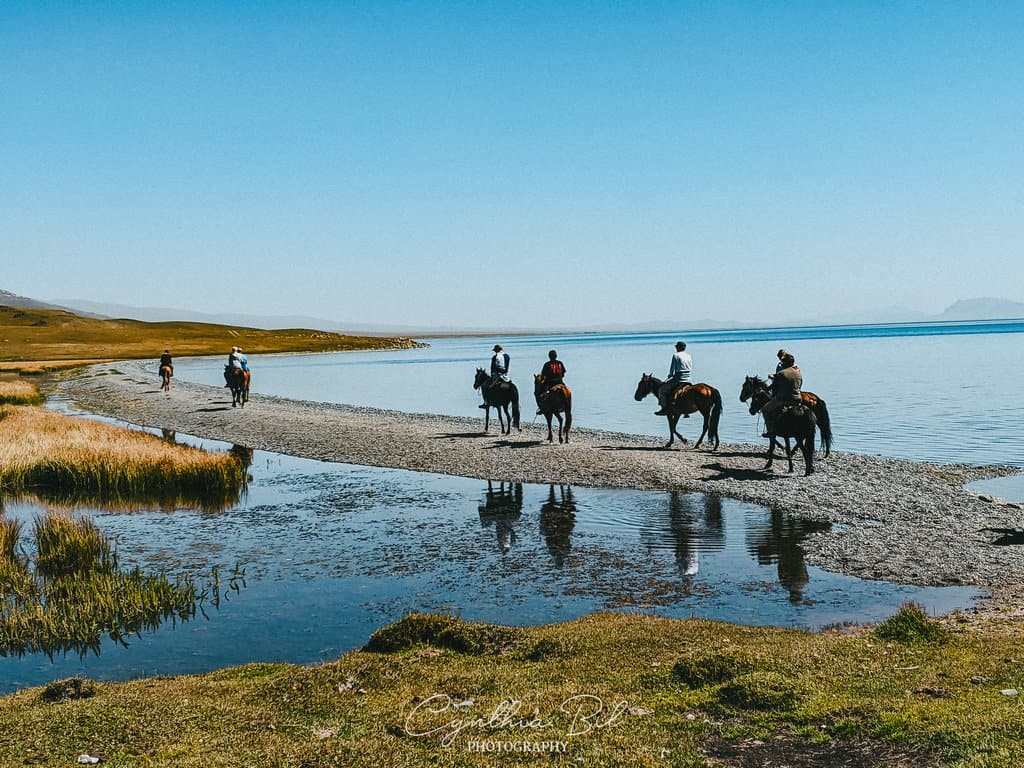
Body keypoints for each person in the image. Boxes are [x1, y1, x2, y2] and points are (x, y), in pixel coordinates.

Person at [761, 352, 802, 435]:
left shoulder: (781, 373)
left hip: (784, 399)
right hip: (798, 399)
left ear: (784, 363)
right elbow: (800, 385)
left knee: (765, 410)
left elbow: (775, 387)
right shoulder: (798, 373)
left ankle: (770, 430)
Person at [654, 341, 693, 415]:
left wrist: (670, 374)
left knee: (661, 390)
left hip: (679, 379)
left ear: (678, 347)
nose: (675, 348)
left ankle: (664, 409)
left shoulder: (676, 355)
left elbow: (672, 368)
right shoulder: (689, 355)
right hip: (688, 379)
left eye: (676, 347)